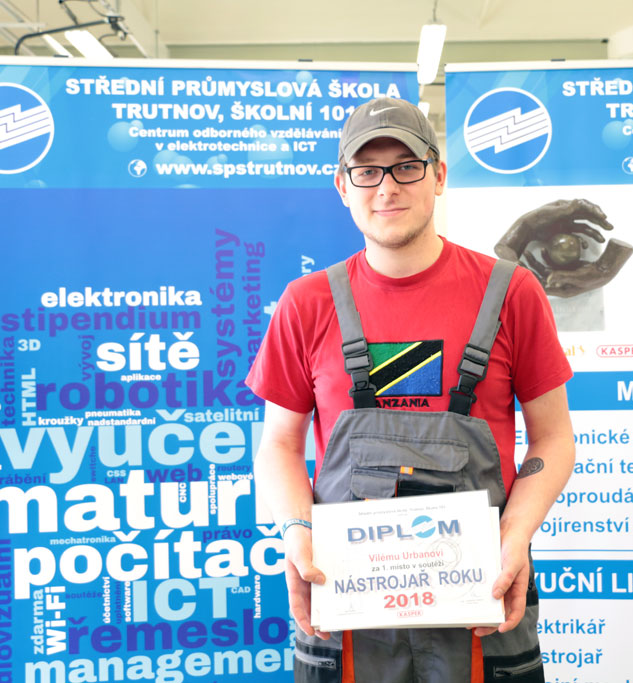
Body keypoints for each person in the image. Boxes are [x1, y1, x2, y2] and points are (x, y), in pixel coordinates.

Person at [246, 96, 575, 683]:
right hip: (346, 610)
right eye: (366, 171)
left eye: (406, 166)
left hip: (483, 601)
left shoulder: (512, 292)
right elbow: (278, 444)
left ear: (438, 175)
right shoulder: (306, 303)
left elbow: (553, 438)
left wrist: (516, 535)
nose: (387, 187)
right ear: (343, 186)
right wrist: (297, 532)